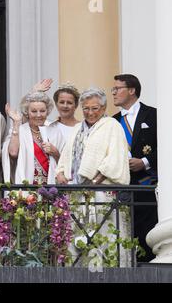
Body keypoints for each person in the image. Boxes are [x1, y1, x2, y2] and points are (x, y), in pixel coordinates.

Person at [56, 88, 131, 266]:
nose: (90, 112)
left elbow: (116, 157)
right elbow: (66, 155)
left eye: (95, 108)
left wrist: (95, 181)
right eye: (86, 108)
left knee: (105, 236)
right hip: (77, 194)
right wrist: (60, 172)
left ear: (104, 108)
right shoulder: (76, 129)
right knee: (77, 239)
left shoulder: (112, 125)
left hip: (101, 193)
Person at [112, 74, 158, 262]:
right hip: (122, 184)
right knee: (123, 229)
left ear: (131, 90)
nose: (113, 93)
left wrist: (145, 161)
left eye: (117, 88)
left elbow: (166, 145)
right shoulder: (112, 121)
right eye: (113, 89)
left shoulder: (153, 115)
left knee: (147, 230)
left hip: (147, 183)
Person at [2, 92, 65, 185]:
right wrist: (16, 122)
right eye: (34, 111)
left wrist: (55, 152)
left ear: (48, 111)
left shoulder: (55, 132)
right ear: (27, 112)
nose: (38, 115)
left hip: (51, 187)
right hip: (27, 186)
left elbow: (65, 163)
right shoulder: (20, 130)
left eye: (42, 111)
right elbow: (13, 153)